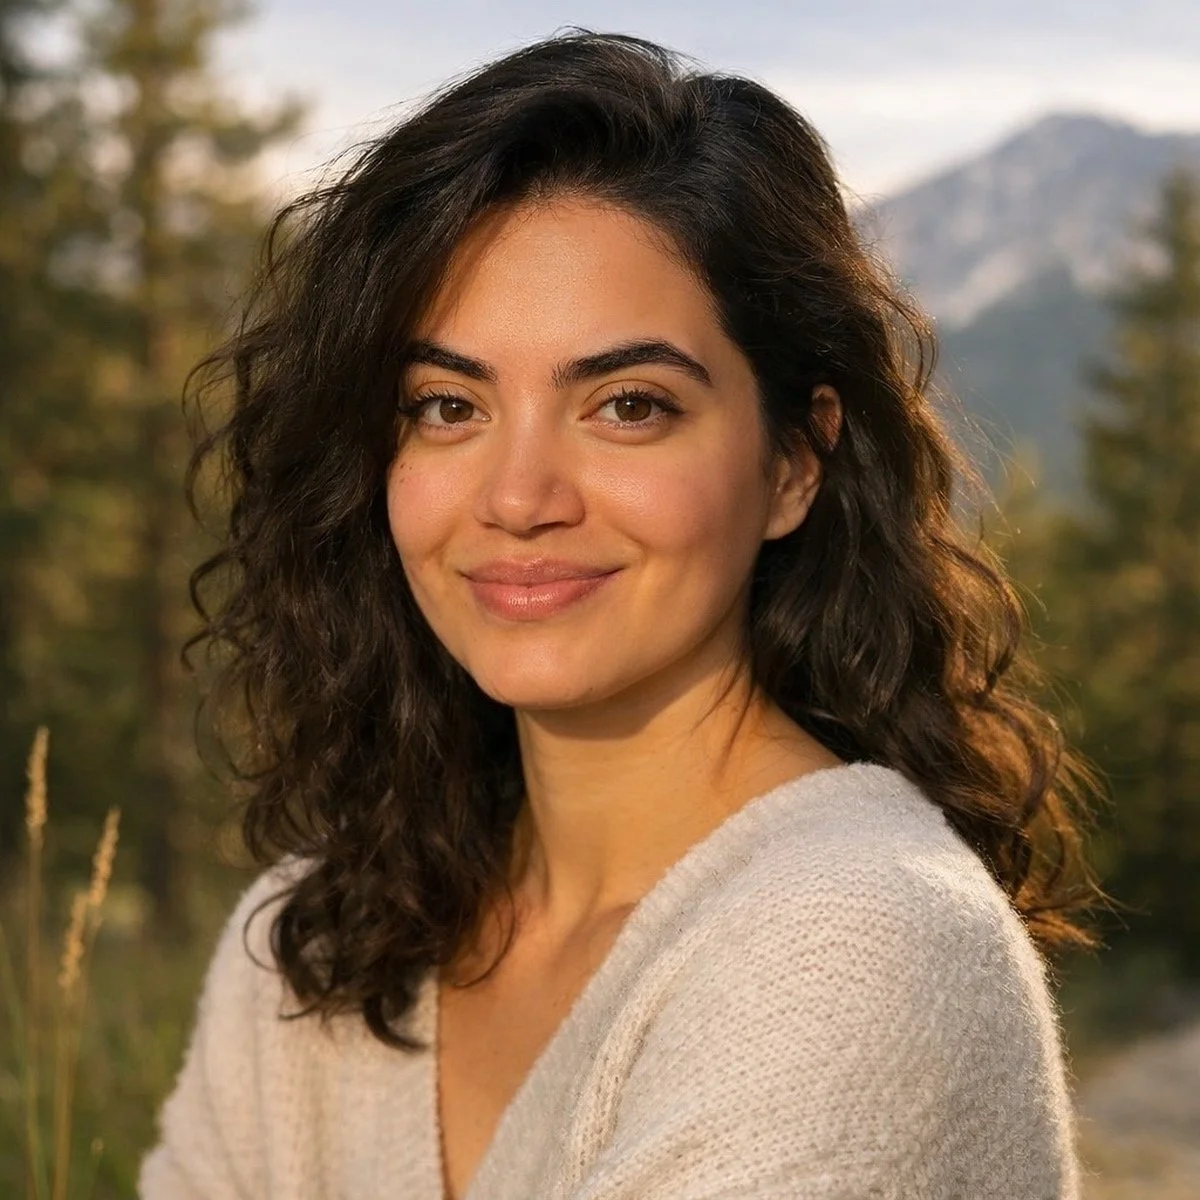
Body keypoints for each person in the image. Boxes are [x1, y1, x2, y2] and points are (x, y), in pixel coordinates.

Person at [139, 29, 1107, 1200]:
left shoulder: (862, 943)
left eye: (628, 405)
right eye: (448, 405)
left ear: (795, 462)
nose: (517, 497)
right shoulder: (316, 941)